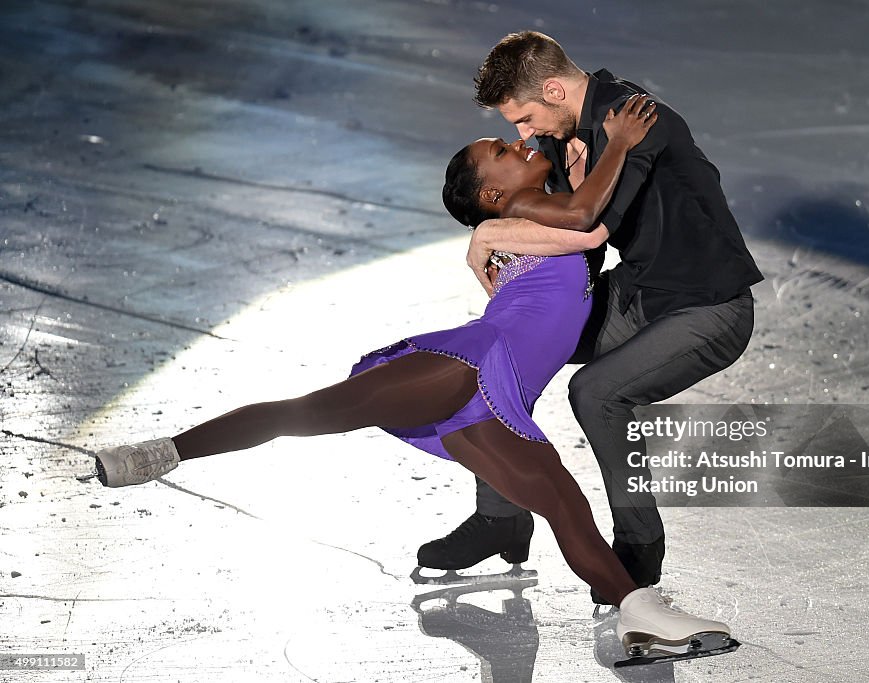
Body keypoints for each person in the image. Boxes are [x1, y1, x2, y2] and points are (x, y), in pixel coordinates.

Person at [92, 95, 734, 657]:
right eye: (500, 150)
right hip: (465, 364)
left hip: (493, 405)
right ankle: (164, 452)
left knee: (568, 510)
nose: (515, 141)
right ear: (491, 195)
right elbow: (587, 224)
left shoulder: (529, 212)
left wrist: (571, 159)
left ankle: (640, 618)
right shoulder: (503, 225)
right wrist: (617, 142)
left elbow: (574, 203)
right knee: (307, 413)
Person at [418, 31, 765, 605]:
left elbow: (587, 226)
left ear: (554, 89)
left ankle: (637, 545)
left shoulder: (634, 119)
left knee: (596, 393)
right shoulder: (558, 138)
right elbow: (573, 244)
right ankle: (500, 517)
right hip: (637, 294)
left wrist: (492, 231)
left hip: (708, 304)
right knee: (495, 357)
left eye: (525, 117)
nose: (522, 134)